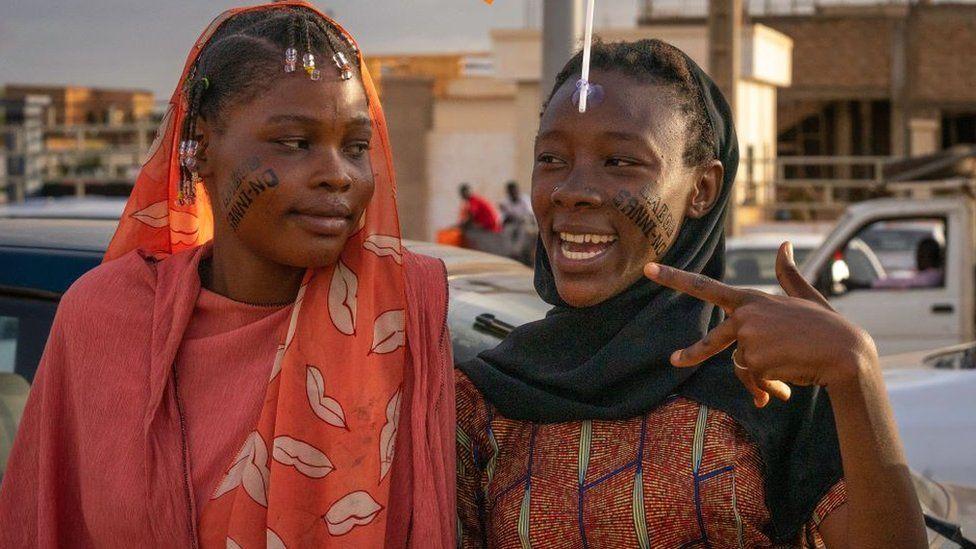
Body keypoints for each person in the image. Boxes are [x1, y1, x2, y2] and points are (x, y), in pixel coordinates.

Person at [0, 4, 455, 547]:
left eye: (357, 147)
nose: (338, 175)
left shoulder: (397, 321)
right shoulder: (104, 318)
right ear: (200, 144)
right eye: (294, 143)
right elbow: (42, 521)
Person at [456, 39, 926, 547]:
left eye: (620, 162)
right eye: (551, 157)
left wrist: (855, 372)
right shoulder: (481, 401)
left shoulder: (768, 378)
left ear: (701, 189)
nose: (573, 189)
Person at [872, 237, 944, 289]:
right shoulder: (931, 274)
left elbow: (906, 283)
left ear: (932, 257)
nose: (917, 259)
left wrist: (875, 284)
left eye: (921, 256)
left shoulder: (933, 276)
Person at [498, 180, 537, 265]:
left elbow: (529, 214)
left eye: (514, 190)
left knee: (523, 231)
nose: (513, 192)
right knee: (507, 231)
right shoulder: (505, 202)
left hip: (525, 223)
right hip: (513, 224)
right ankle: (510, 253)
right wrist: (508, 217)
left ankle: (516, 252)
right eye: (511, 191)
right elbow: (502, 218)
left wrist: (516, 216)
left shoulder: (524, 199)